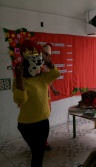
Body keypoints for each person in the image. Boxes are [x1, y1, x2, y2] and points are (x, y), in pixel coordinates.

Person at [12, 39, 60, 167]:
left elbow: (56, 73)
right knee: (37, 153)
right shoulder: (20, 81)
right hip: (27, 125)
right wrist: (19, 78)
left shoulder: (42, 77)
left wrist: (49, 63)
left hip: (43, 122)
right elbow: (20, 100)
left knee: (38, 153)